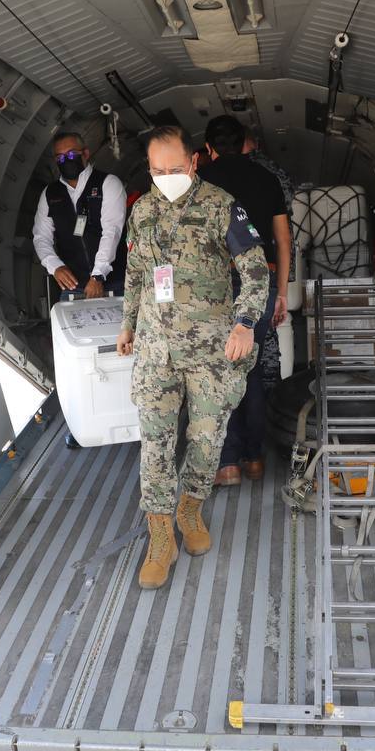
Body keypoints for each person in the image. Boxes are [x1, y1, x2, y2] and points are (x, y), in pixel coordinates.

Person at [116, 125, 269, 590]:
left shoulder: (222, 207)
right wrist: (127, 324)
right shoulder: (142, 211)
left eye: (175, 169)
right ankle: (160, 537)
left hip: (209, 352)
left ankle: (190, 509)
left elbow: (256, 270)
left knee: (206, 441)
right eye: (157, 171)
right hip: (156, 350)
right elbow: (136, 273)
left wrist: (244, 323)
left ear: (194, 162)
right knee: (156, 444)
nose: (166, 178)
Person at [197, 115, 290, 486]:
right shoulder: (267, 179)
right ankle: (254, 459)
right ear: (244, 143)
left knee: (219, 372)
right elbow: (283, 241)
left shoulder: (200, 182)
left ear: (208, 149)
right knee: (250, 371)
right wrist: (281, 292)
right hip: (260, 283)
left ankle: (228, 462)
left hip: (215, 289)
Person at [32, 131, 128, 302]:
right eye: (60, 157)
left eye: (71, 154)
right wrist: (55, 266)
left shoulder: (108, 183)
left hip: (116, 283)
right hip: (74, 287)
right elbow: (41, 237)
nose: (66, 160)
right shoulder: (50, 194)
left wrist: (98, 275)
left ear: (85, 153)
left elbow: (112, 232)